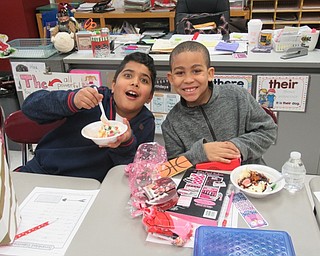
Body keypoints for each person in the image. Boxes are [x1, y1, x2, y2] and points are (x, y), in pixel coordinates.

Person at [20, 52, 156, 182]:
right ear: (113, 85)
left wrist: (125, 144)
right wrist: (72, 101)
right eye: (128, 76)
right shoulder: (93, 98)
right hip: (43, 171)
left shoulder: (144, 122)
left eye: (144, 80)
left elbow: (131, 172)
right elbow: (30, 107)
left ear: (149, 97)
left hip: (92, 187)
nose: (135, 83)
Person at [161, 41, 277, 166]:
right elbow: (173, 166)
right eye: (180, 73)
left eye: (196, 71)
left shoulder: (236, 96)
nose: (188, 80)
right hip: (202, 182)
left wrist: (236, 146)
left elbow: (268, 131)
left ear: (210, 74)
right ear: (171, 78)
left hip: (249, 176)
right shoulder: (171, 123)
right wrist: (200, 154)